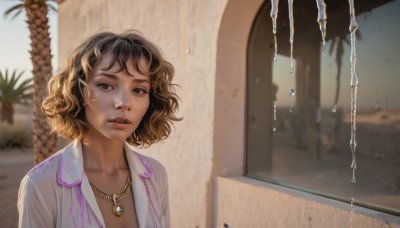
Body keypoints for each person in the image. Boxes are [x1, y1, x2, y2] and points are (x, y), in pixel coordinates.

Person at [17, 31, 181, 228]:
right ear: (77, 91)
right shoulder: (41, 184)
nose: (124, 103)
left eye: (138, 90)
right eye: (106, 85)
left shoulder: (156, 175)